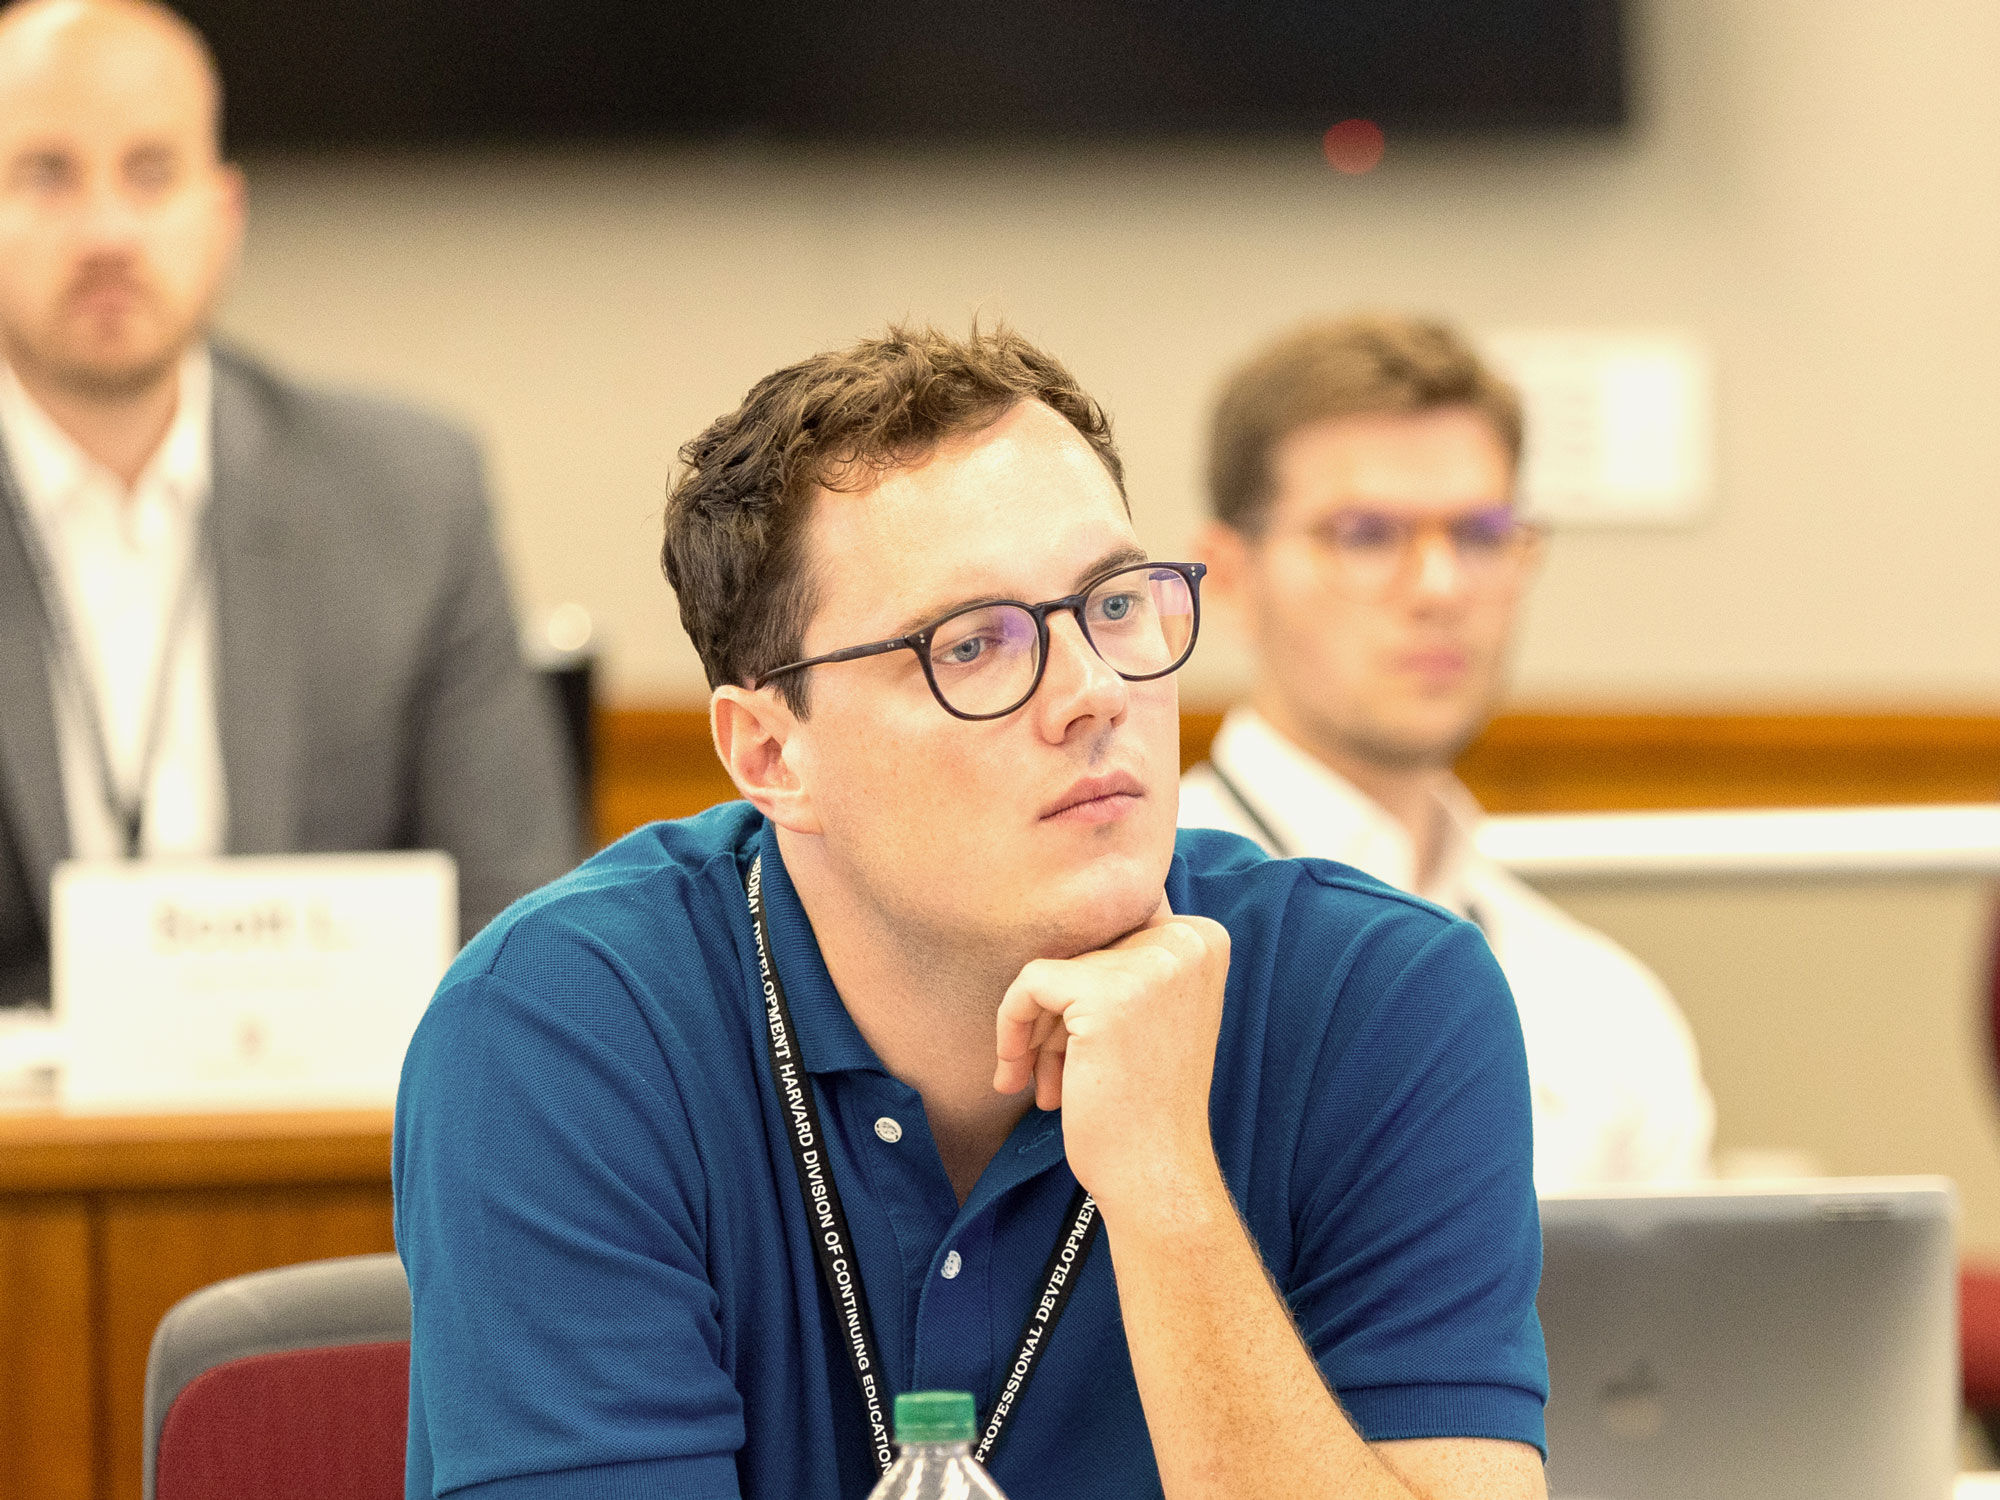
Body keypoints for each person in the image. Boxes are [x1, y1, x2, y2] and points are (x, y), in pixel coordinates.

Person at [395, 326, 1549, 1500]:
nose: (1094, 692)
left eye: (1111, 605)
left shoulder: (1381, 999)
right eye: (972, 645)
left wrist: (1163, 1189)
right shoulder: (560, 1033)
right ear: (770, 754)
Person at [0, 0, 576, 1003]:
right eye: (46, 174)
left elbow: (517, 919)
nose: (105, 230)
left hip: (332, 1141)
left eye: (150, 172)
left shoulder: (409, 496)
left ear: (222, 213)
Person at [1180, 314, 1713, 1190]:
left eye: (1479, 535)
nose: (1440, 587)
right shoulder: (1121, 927)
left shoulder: (1608, 1015)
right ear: (1230, 578)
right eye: (1365, 535)